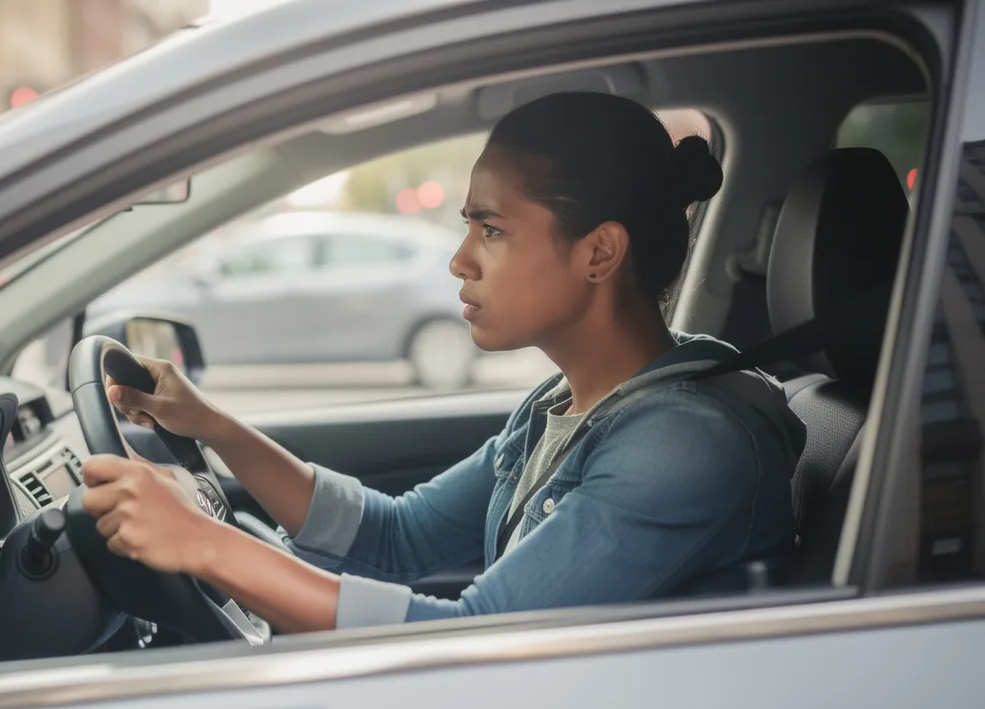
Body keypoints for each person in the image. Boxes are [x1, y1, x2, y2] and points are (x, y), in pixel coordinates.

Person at [77, 92, 806, 634]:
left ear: (599, 253)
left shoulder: (684, 445)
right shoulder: (568, 403)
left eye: (491, 228)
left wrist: (204, 543)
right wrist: (211, 426)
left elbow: (479, 634)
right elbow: (397, 536)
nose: (459, 261)